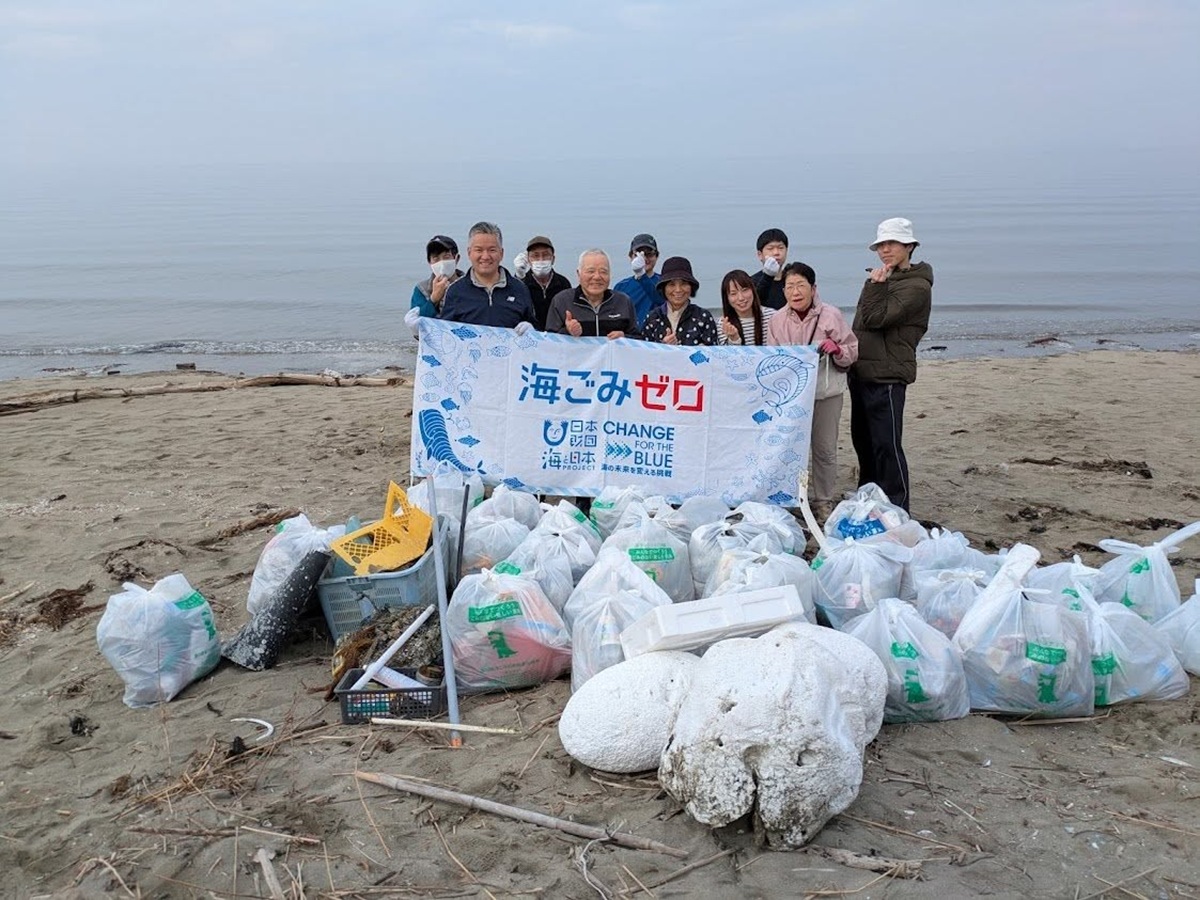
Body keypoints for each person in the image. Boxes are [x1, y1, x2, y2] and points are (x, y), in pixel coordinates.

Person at [849, 217, 933, 513]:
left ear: (909, 246)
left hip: (887, 374)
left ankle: (898, 506)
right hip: (862, 370)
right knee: (864, 441)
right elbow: (862, 321)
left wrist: (874, 285)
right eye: (881, 245)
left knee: (886, 444)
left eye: (892, 243)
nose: (885, 250)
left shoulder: (916, 286)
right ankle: (869, 497)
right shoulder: (885, 278)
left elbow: (875, 318)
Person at [767, 262, 859, 520]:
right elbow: (772, 358)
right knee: (787, 447)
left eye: (800, 285)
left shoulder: (831, 315)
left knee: (824, 449)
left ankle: (823, 501)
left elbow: (852, 352)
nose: (795, 292)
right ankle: (790, 497)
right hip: (791, 397)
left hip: (825, 394)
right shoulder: (777, 320)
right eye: (789, 287)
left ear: (813, 287)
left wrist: (838, 350)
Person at [438, 222, 536, 330]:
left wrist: (532, 330)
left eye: (492, 250)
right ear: (469, 253)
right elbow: (445, 334)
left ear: (501, 253)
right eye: (479, 250)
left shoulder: (520, 289)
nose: (485, 256)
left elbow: (535, 330)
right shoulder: (456, 291)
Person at [545, 250, 641, 339]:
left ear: (610, 275)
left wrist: (625, 337)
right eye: (591, 271)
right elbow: (549, 342)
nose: (597, 277)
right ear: (579, 274)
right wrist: (568, 332)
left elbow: (639, 339)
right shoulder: (562, 301)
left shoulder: (623, 301)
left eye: (603, 272)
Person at [642, 256, 719, 346]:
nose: (678, 290)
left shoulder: (703, 317)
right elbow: (644, 354)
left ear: (691, 287)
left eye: (684, 284)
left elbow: (712, 355)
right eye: (672, 284)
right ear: (664, 288)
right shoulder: (652, 318)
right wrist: (663, 347)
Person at [511, 235, 572, 331]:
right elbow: (513, 307)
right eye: (535, 256)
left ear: (553, 259)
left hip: (558, 339)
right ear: (528, 260)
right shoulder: (521, 283)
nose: (541, 260)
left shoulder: (563, 283)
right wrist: (518, 276)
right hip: (529, 337)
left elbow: (569, 314)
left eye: (545, 255)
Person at [612, 233, 661, 327]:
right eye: (638, 255)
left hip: (656, 339)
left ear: (657, 256)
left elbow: (661, 300)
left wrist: (641, 275)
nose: (644, 259)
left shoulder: (665, 283)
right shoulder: (621, 286)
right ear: (630, 256)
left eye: (649, 254)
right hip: (630, 338)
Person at [409, 235, 463, 319]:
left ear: (456, 258)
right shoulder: (422, 289)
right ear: (430, 262)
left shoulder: (471, 285)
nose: (441, 262)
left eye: (446, 257)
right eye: (436, 258)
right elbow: (417, 323)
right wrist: (434, 299)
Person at [718, 269, 775, 345]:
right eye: (733, 293)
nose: (741, 298)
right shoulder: (724, 324)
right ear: (727, 298)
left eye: (745, 290)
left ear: (753, 290)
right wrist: (734, 339)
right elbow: (728, 356)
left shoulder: (772, 317)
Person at [751, 228, 789, 311]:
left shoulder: (792, 279)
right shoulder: (751, 282)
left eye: (780, 248)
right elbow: (752, 307)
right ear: (760, 255)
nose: (776, 252)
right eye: (770, 248)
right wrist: (768, 275)